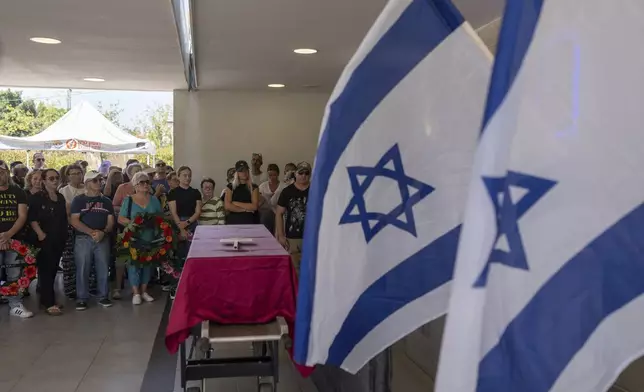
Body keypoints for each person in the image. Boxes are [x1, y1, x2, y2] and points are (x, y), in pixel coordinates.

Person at [70, 171, 114, 310]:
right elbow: (74, 220)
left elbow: (111, 221)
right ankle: (82, 298)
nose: (99, 182)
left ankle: (103, 296)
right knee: (82, 267)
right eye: (95, 180)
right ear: (87, 183)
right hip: (83, 238)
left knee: (103, 267)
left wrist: (103, 232)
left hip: (102, 238)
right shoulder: (79, 200)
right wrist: (91, 232)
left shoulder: (106, 201)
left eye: (100, 179)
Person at [28, 168, 68, 315]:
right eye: (51, 178)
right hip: (44, 238)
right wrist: (40, 234)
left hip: (58, 238)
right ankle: (48, 302)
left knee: (53, 270)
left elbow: (63, 218)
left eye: (56, 178)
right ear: (44, 181)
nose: (55, 181)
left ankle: (48, 299)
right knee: (45, 270)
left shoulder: (60, 197)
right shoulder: (37, 197)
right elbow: (31, 218)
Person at [118, 172, 161, 305]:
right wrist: (133, 224)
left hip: (150, 237)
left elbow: (160, 217)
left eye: (147, 182)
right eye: (142, 182)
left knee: (148, 264)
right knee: (134, 265)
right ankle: (136, 293)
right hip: (134, 238)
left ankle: (144, 291)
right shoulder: (128, 200)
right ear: (135, 185)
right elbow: (121, 218)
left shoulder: (154, 199)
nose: (145, 185)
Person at [0, 160, 33, 318]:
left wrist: (7, 235)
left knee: (14, 273)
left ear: (7, 172)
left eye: (2, 171)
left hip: (14, 239)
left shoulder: (18, 191)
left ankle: (15, 305)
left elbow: (22, 216)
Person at [276, 162, 311, 274]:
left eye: (306, 173)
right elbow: (279, 213)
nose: (303, 175)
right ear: (295, 174)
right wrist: (281, 235)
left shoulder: (316, 190)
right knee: (294, 272)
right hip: (292, 238)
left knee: (311, 271)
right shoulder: (287, 192)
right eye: (300, 173)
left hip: (311, 237)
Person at [59, 164, 87, 300]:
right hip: (70, 228)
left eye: (78, 173)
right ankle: (71, 289)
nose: (76, 176)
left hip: (88, 227)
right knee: (70, 260)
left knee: (87, 259)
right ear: (68, 176)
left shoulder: (87, 189)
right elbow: (66, 212)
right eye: (73, 173)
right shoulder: (64, 191)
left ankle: (88, 287)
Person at [224, 160, 259, 225]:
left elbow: (254, 206)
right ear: (237, 173)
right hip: (234, 218)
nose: (244, 173)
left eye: (246, 170)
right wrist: (245, 210)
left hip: (249, 217)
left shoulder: (254, 187)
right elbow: (227, 206)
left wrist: (235, 203)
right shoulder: (230, 187)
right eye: (241, 171)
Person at [258, 164, 282, 233]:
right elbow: (258, 201)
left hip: (279, 213)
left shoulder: (283, 186)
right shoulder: (262, 186)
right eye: (270, 175)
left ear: (278, 174)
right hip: (265, 214)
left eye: (274, 175)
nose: (272, 177)